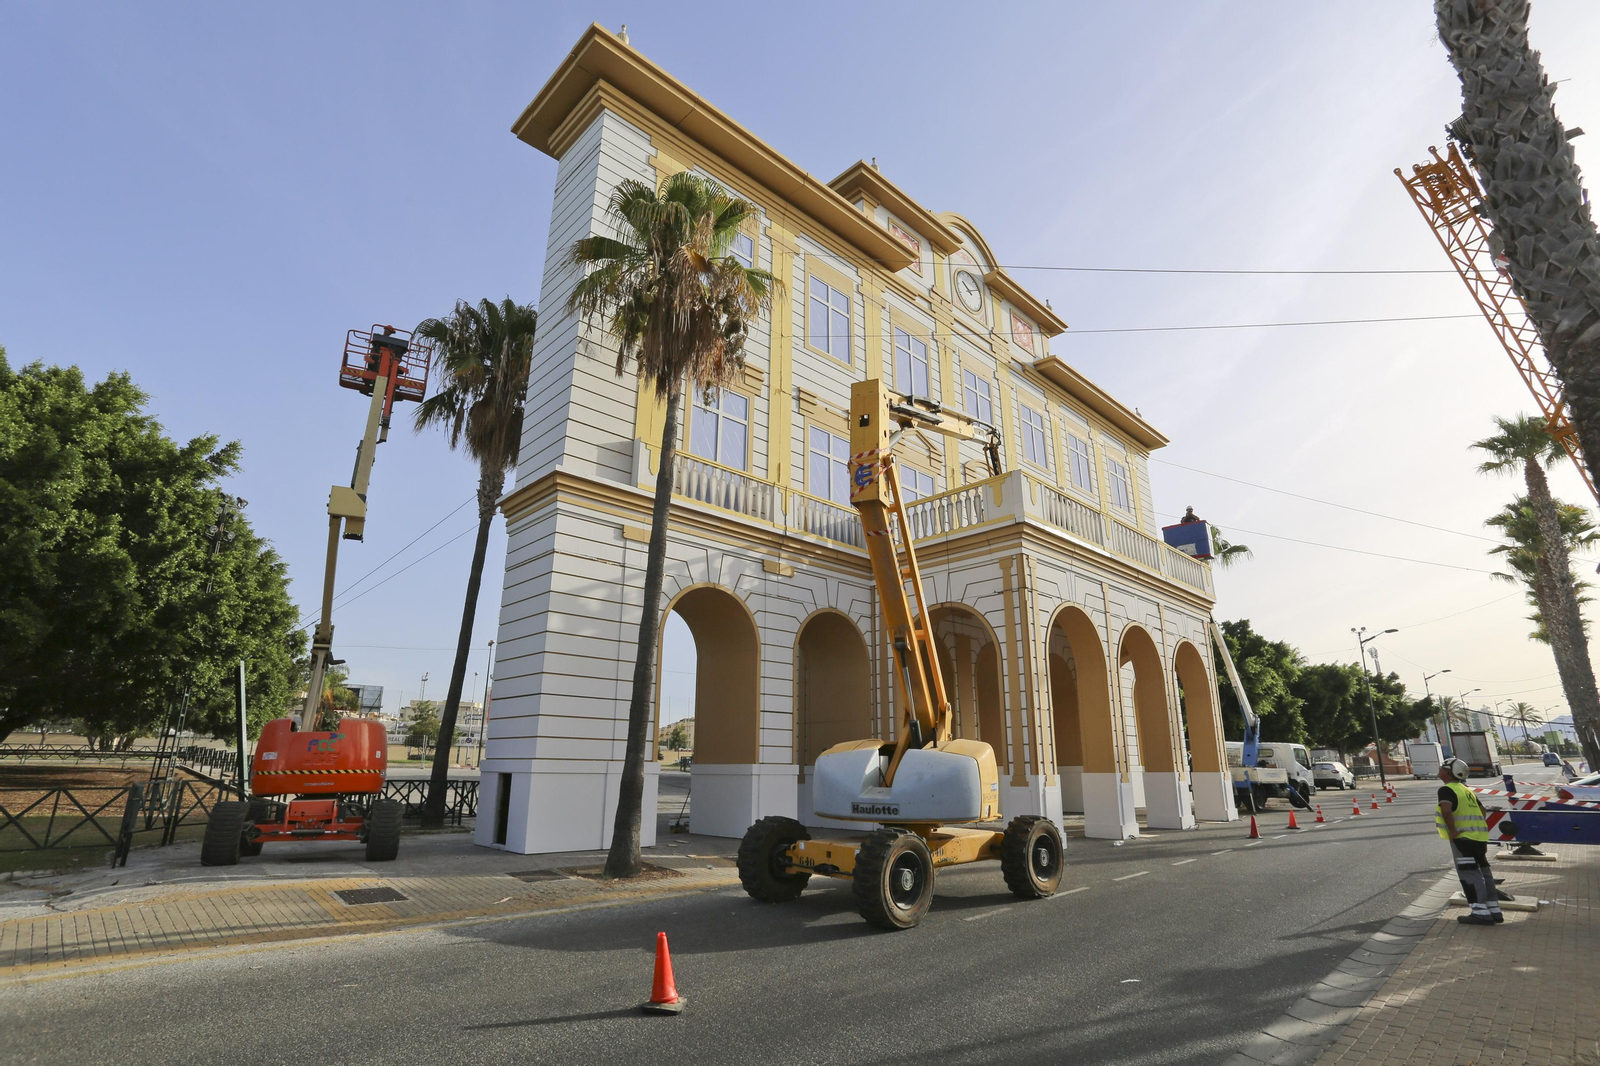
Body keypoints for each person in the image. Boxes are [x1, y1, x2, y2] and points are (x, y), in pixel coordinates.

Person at [1437, 757, 1502, 926]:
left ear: (1448, 772)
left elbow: (1446, 810)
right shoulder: (1466, 790)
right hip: (1479, 838)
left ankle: (1480, 913)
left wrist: (1453, 830)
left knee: (1470, 874)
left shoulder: (1446, 790)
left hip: (1463, 839)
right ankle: (1494, 910)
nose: (1440, 769)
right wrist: (1475, 826)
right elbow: (1482, 809)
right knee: (1484, 872)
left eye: (1442, 767)